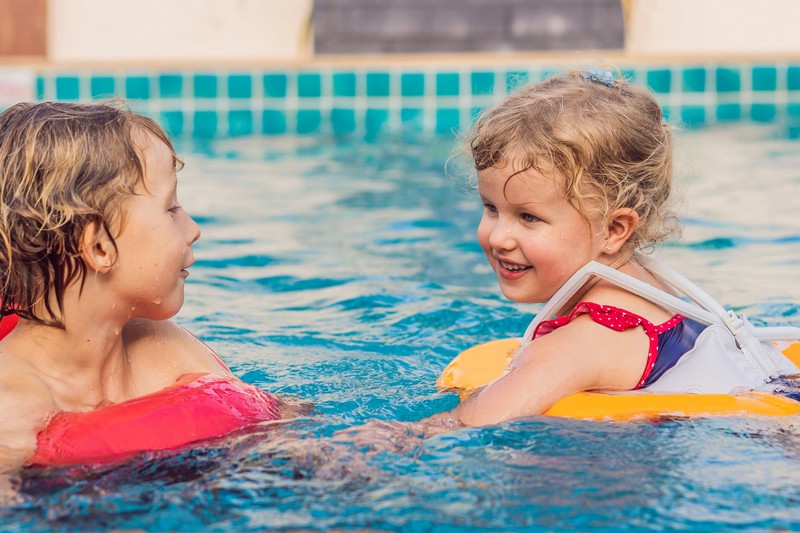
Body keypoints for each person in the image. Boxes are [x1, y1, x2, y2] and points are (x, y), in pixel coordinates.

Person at [423, 68, 799, 429]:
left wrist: (385, 440)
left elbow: (473, 422)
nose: (499, 237)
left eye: (528, 218)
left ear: (614, 229)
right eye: (491, 208)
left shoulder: (582, 342)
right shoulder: (653, 289)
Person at [0, 102, 285, 472]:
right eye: (171, 209)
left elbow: (279, 425)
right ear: (100, 247)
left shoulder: (162, 346)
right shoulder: (13, 401)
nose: (194, 229)